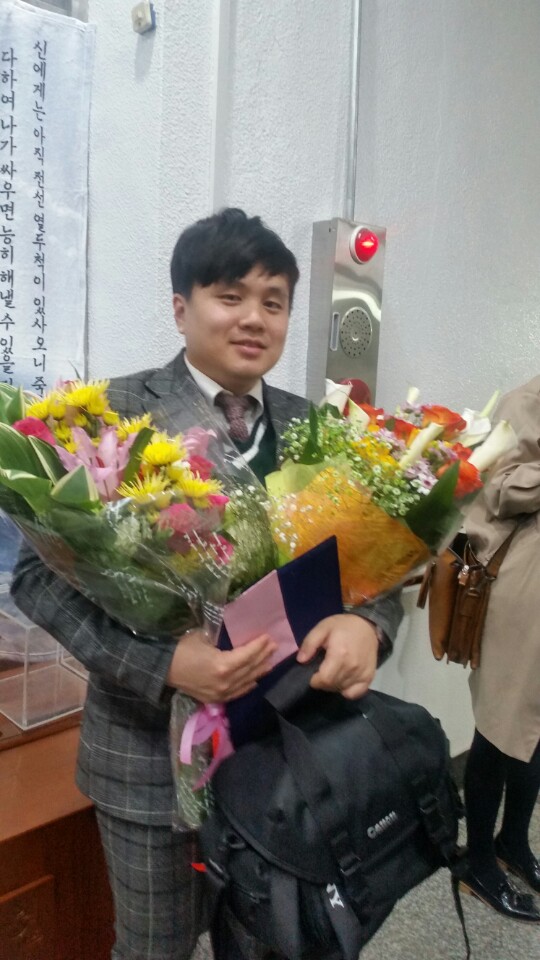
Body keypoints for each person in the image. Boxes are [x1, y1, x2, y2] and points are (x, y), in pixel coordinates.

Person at [10, 208, 403, 960]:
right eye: (230, 295)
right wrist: (165, 664)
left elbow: (376, 565)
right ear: (181, 307)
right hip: (146, 758)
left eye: (274, 301)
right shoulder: (108, 415)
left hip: (287, 749)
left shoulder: (317, 428)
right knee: (153, 948)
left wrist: (369, 624)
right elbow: (37, 579)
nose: (255, 318)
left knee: (275, 940)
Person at [458, 376, 540, 923]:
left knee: (535, 729)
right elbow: (499, 486)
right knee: (499, 725)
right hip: (523, 591)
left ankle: (513, 841)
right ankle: (478, 861)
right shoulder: (527, 401)